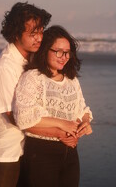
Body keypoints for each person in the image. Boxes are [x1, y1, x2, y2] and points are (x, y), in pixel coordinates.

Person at [0, 2, 52, 187]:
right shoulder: (3, 67)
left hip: (26, 148)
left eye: (41, 32)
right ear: (16, 33)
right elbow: (13, 116)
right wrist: (56, 131)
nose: (39, 38)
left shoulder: (31, 60)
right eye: (32, 34)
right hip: (4, 152)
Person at [14, 25, 93, 187]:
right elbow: (23, 119)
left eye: (67, 52)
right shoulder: (33, 78)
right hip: (40, 153)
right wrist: (62, 124)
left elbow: (82, 110)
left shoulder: (72, 80)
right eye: (58, 51)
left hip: (70, 153)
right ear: (45, 50)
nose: (63, 56)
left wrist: (84, 123)